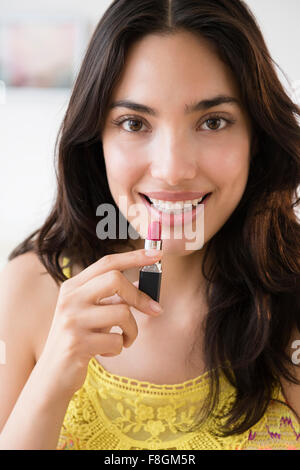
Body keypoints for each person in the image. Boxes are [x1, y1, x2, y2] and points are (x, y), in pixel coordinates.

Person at [0, 0, 299, 450]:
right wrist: (52, 378)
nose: (173, 169)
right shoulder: (25, 289)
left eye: (213, 122)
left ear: (256, 137)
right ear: (94, 139)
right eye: (134, 123)